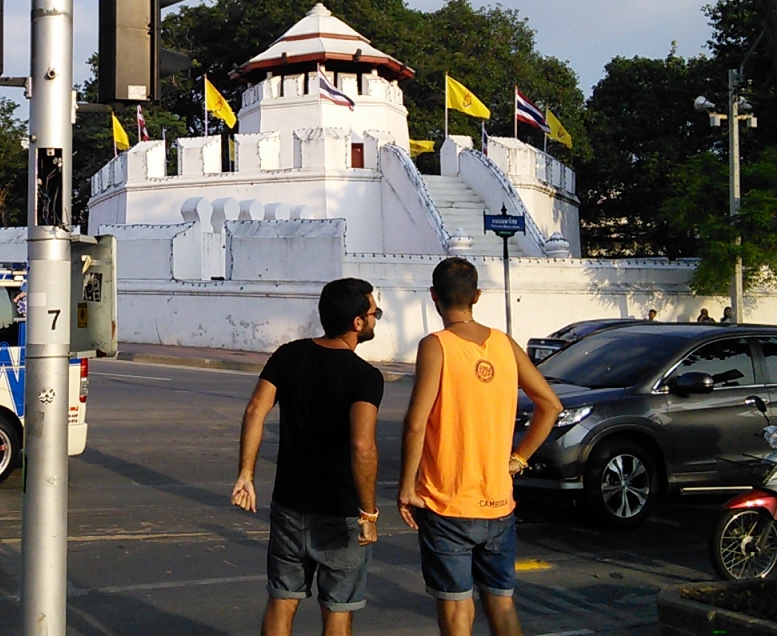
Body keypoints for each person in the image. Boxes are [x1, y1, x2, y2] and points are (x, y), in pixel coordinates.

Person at [397, 258, 562, 636]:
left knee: (457, 607)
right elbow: (550, 405)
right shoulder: (504, 344)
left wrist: (407, 487)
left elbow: (416, 422)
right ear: (477, 296)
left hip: (447, 503)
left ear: (434, 296)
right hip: (498, 503)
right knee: (502, 604)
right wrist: (519, 459)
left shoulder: (436, 346)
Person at [232, 278, 384, 636]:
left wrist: (246, 474)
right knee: (338, 611)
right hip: (340, 513)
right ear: (357, 322)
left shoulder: (288, 355)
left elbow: (255, 411)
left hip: (290, 506)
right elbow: (362, 446)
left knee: (282, 601)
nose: (375, 318)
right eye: (374, 313)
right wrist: (368, 512)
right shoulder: (364, 377)